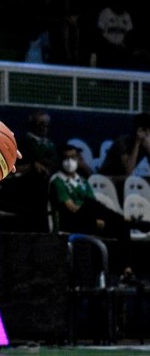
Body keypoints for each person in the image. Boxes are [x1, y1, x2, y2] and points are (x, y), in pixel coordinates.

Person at [49, 143, 150, 282]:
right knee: (93, 205)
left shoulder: (82, 181)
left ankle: (127, 271)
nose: (70, 161)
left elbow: (95, 207)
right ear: (61, 160)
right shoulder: (57, 181)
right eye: (66, 158)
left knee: (122, 228)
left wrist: (97, 220)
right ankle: (132, 222)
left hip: (89, 221)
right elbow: (71, 208)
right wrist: (94, 218)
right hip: (71, 222)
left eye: (73, 157)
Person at [99, 112, 150, 176]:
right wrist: (137, 143)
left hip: (123, 178)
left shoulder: (145, 144)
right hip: (107, 176)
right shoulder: (122, 142)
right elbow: (128, 171)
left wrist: (149, 148)